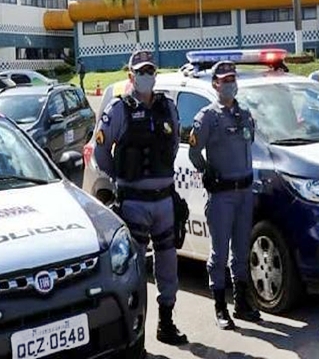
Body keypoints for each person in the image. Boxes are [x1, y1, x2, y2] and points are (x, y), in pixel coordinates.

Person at [92, 50, 187, 346]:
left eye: (150, 71)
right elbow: (100, 152)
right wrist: (121, 177)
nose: (146, 76)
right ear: (131, 76)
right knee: (133, 271)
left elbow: (172, 146)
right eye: (141, 72)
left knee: (168, 264)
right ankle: (137, 332)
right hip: (133, 203)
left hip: (164, 201)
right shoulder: (119, 110)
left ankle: (166, 322)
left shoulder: (166, 108)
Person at [188, 61, 261, 330]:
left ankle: (241, 303)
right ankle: (220, 307)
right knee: (219, 254)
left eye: (232, 78)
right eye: (224, 79)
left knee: (241, 251)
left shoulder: (244, 114)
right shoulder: (208, 117)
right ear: (215, 84)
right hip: (222, 195)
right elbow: (195, 152)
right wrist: (208, 171)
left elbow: (250, 142)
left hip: (244, 192)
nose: (230, 83)